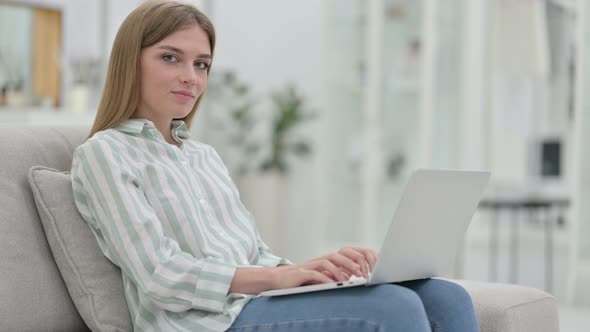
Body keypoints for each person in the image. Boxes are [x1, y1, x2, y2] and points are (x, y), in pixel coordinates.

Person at [71, 1, 481, 331]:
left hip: (255, 301)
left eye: (201, 64)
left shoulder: (202, 156)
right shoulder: (104, 153)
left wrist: (315, 271)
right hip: (203, 322)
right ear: (131, 61)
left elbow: (254, 252)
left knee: (446, 297)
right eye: (171, 58)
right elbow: (160, 275)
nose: (190, 78)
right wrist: (278, 279)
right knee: (392, 309)